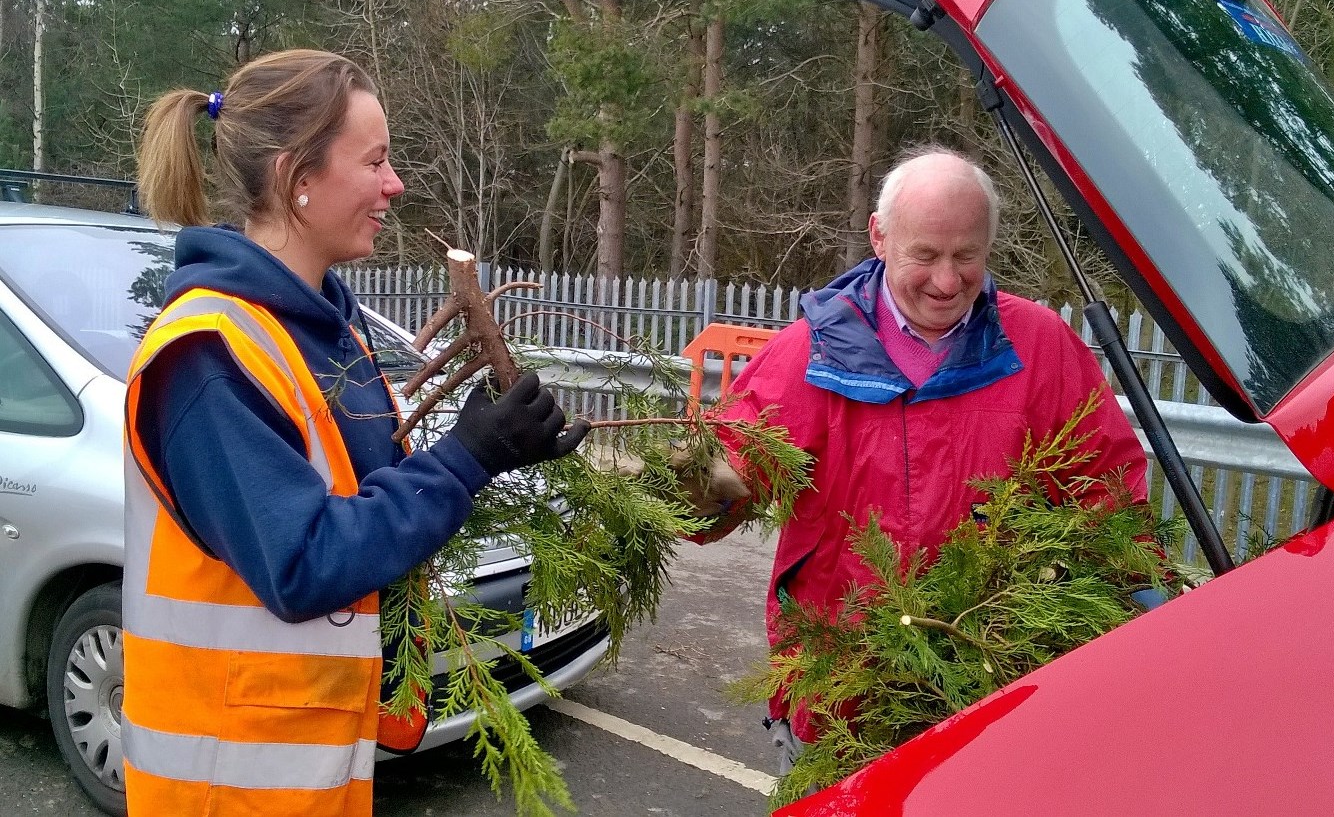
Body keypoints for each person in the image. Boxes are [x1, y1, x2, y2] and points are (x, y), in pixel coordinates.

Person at [121, 49, 589, 816]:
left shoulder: (329, 328)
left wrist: (499, 452)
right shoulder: (207, 354)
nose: (394, 185)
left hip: (310, 761)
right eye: (374, 160)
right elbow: (303, 562)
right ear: (294, 176)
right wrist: (465, 460)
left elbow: (368, 503)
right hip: (223, 779)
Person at [695, 146, 1149, 770]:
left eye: (967, 256)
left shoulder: (1039, 347)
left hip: (995, 680)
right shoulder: (810, 355)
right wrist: (683, 492)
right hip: (840, 692)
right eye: (926, 255)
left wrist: (1133, 592)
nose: (947, 281)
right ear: (879, 238)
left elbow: (1104, 485)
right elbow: (727, 477)